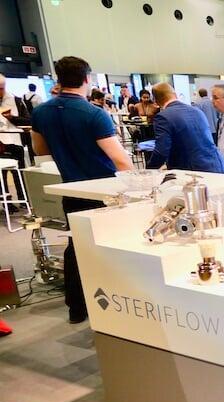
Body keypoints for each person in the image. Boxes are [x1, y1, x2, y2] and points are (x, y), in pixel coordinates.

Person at [30, 56, 133, 323]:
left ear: (59, 78)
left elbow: (40, 149)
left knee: (76, 245)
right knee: (111, 246)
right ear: (87, 79)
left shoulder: (41, 113)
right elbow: (121, 160)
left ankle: (76, 307)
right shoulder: (94, 114)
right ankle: (115, 307)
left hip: (71, 188)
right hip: (103, 191)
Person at [146, 82, 224, 173]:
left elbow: (161, 151)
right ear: (175, 94)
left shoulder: (163, 117)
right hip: (217, 166)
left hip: (193, 172)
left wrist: (148, 171)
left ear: (156, 100)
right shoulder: (196, 110)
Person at [0, 74, 28, 206]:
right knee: (2, 175)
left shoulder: (16, 100)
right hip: (1, 143)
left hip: (16, 141)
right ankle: (7, 203)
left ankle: (23, 200)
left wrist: (12, 118)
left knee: (19, 174)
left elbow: (28, 121)